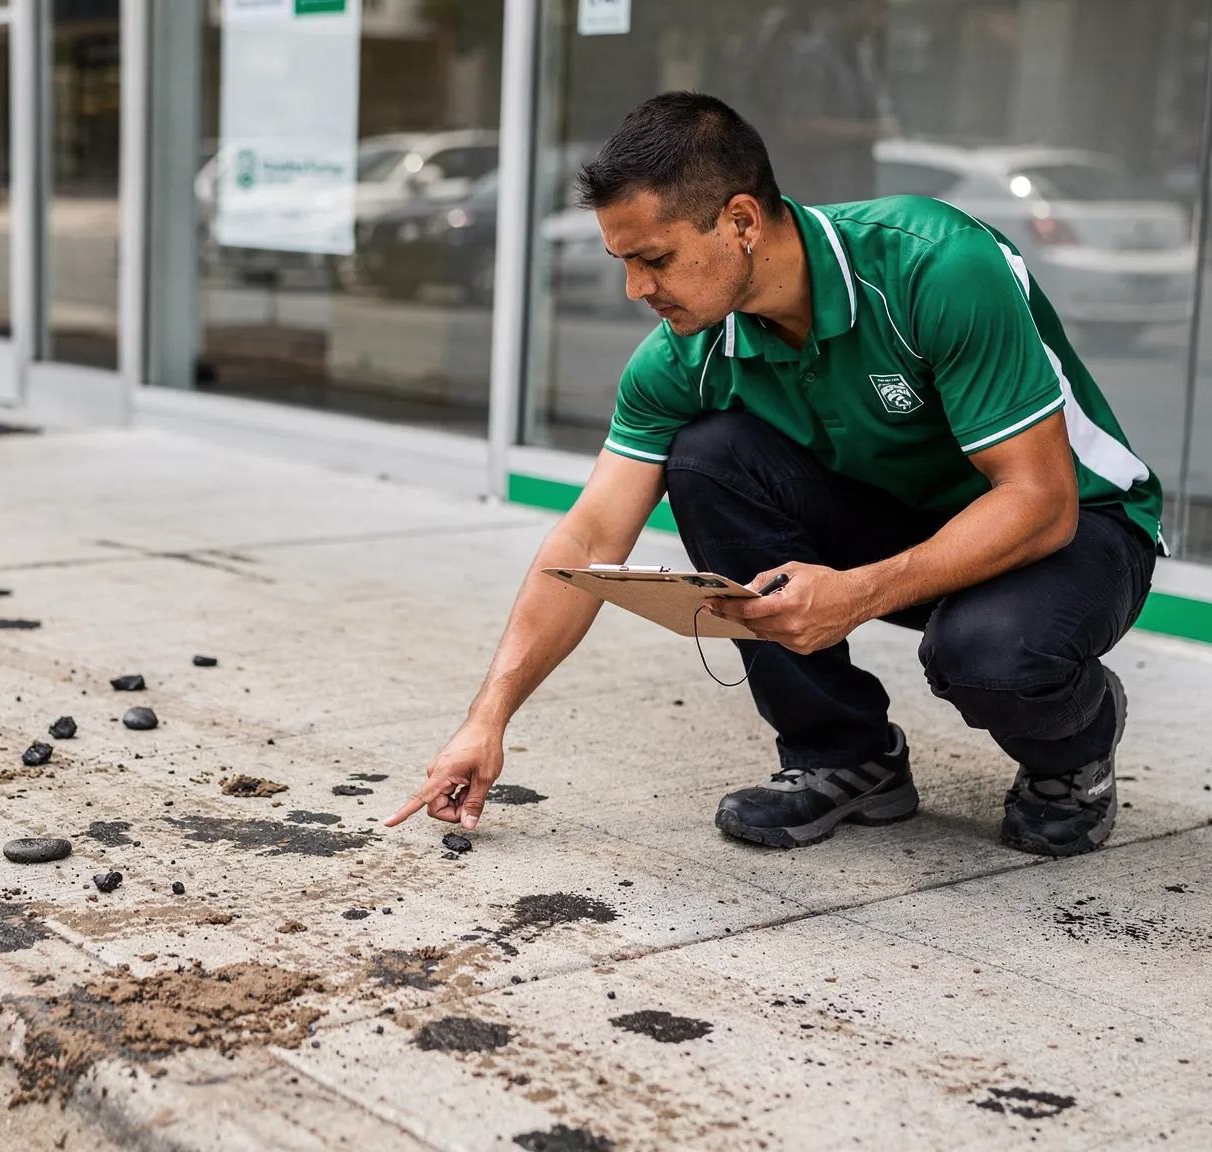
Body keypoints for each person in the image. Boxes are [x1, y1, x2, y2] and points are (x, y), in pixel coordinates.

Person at [385, 93, 1161, 859]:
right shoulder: (682, 355)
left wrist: (857, 592)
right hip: (908, 521)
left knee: (990, 658)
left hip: (1076, 527)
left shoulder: (934, 266)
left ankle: (1074, 754)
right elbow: (588, 538)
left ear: (743, 222)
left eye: (654, 259)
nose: (636, 291)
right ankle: (846, 754)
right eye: (622, 263)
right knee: (708, 457)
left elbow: (1040, 501)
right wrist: (488, 718)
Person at [770, 0, 892, 206]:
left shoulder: (861, 57)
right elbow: (798, 127)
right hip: (816, 201)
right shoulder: (812, 56)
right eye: (875, 8)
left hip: (854, 202)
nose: (878, 20)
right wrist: (868, 130)